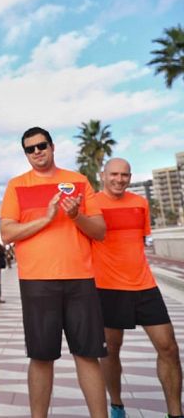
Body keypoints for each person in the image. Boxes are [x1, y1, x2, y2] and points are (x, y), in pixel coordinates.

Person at [0, 126, 108, 418]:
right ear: (25, 153)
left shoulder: (78, 181)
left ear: (52, 146)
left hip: (80, 280)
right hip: (37, 283)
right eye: (30, 148)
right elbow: (7, 233)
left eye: (41, 145)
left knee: (88, 355)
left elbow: (99, 231)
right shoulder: (16, 185)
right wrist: (48, 218)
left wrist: (76, 215)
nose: (37, 152)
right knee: (41, 356)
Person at [92, 158, 183, 418]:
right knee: (111, 350)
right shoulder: (93, 205)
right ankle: (117, 405)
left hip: (144, 286)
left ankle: (175, 413)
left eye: (125, 175)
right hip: (107, 288)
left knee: (169, 347)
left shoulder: (140, 203)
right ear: (103, 175)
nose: (119, 179)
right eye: (114, 174)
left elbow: (139, 242)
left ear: (130, 177)